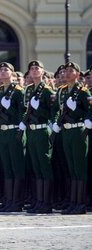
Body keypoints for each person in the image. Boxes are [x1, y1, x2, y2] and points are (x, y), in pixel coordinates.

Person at [52, 61, 90, 214]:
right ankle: (73, 202)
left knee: (79, 168)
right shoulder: (62, 92)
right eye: (65, 70)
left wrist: (87, 119)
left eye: (71, 70)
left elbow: (90, 109)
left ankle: (79, 203)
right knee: (71, 168)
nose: (67, 73)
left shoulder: (83, 91)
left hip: (78, 131)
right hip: (66, 132)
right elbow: (57, 111)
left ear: (77, 74)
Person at [20, 60, 56, 214]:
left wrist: (39, 111)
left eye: (37, 68)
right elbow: (25, 110)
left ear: (42, 71)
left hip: (42, 130)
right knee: (36, 166)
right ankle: (38, 201)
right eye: (31, 69)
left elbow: (52, 112)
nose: (34, 71)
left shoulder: (47, 91)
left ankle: (46, 202)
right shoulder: (28, 90)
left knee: (44, 166)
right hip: (31, 131)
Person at [0, 62, 26, 212]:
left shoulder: (18, 91)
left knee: (16, 166)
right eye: (0, 70)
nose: (3, 72)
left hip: (14, 130)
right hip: (2, 132)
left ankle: (16, 201)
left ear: (12, 73)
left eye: (6, 70)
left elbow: (22, 112)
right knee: (7, 167)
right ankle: (9, 199)